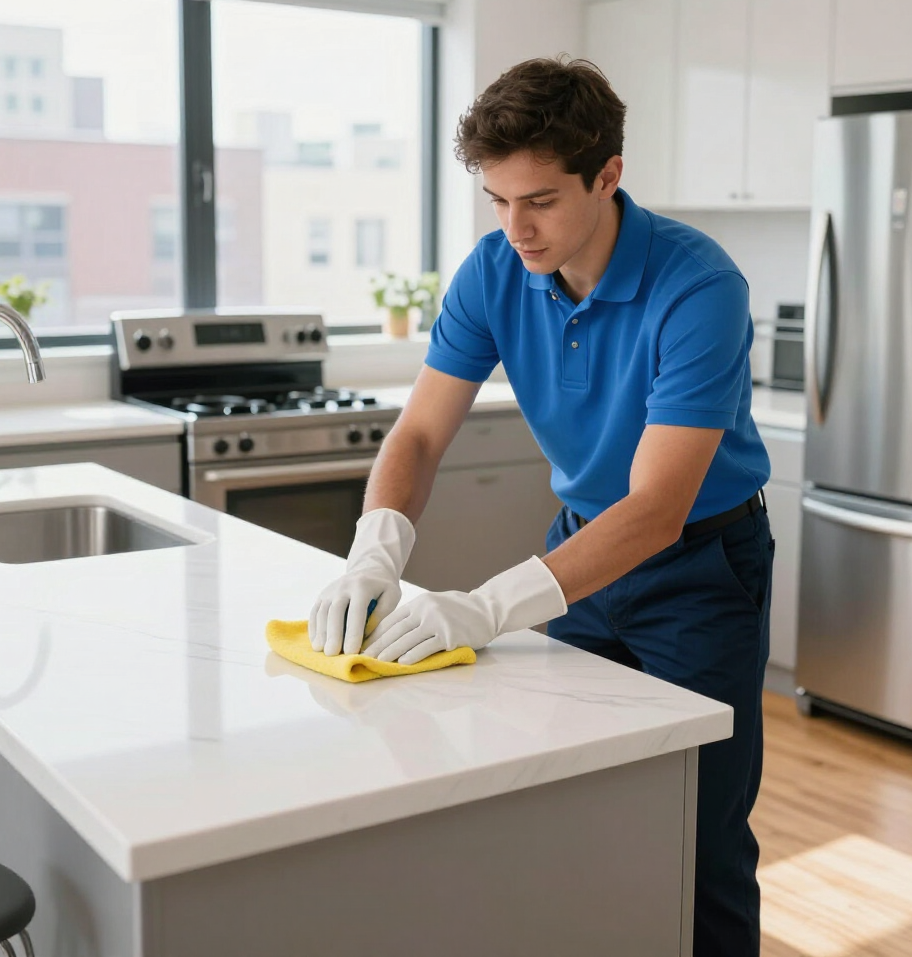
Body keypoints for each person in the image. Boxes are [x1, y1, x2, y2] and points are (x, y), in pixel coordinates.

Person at [309, 56, 773, 957]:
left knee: (701, 833)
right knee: (567, 797)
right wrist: (374, 551)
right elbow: (417, 437)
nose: (516, 228)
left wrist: (484, 610)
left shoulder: (698, 286)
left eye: (541, 201)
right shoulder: (494, 272)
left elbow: (656, 510)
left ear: (608, 176)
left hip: (699, 570)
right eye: (496, 200)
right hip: (578, 561)